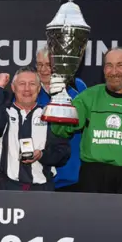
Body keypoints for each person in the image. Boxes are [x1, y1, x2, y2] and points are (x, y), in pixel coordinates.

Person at [50, 47, 122, 194]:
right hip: (93, 176)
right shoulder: (88, 96)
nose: (114, 72)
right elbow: (60, 130)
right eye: (109, 65)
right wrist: (59, 103)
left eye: (120, 65)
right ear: (103, 69)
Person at [0, 67, 71, 190]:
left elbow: (63, 153)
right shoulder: (5, 113)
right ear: (13, 87)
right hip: (9, 188)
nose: (27, 89)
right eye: (22, 84)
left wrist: (42, 155)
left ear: (38, 89)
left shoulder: (49, 115)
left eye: (32, 84)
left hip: (42, 190)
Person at [35, 46, 87, 191]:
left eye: (48, 65)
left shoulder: (77, 86)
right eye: (39, 64)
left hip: (71, 174)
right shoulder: (30, 90)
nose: (43, 70)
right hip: (40, 175)